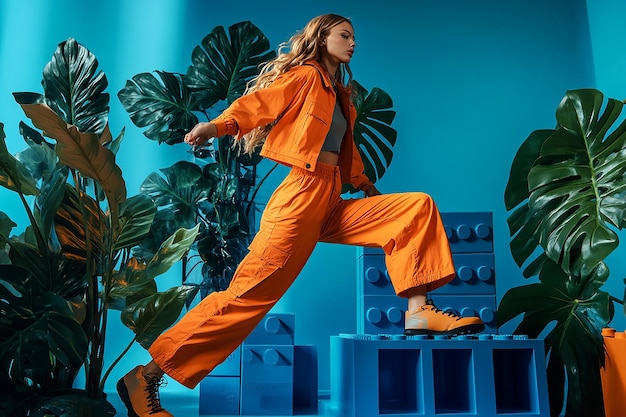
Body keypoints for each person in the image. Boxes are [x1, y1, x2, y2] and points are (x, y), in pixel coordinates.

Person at [117, 13, 484, 417]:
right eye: (344, 34)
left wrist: (363, 186)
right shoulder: (306, 76)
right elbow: (261, 104)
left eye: (355, 36)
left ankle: (417, 311)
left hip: (329, 195)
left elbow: (346, 151)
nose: (353, 42)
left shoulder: (341, 94)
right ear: (321, 38)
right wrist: (218, 126)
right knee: (245, 298)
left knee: (415, 207)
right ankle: (146, 376)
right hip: (299, 197)